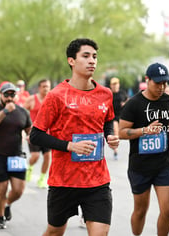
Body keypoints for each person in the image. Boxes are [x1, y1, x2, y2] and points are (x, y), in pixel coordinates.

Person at [29, 38, 120, 236]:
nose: (92, 61)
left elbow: (106, 122)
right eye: (85, 56)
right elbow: (35, 135)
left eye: (94, 56)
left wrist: (110, 136)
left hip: (97, 180)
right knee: (54, 232)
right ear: (71, 60)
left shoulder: (105, 94)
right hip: (64, 180)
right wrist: (70, 146)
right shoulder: (57, 95)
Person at [119, 63, 169, 236]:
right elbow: (121, 133)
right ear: (147, 80)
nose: (161, 87)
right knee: (140, 211)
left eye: (164, 83)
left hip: (164, 164)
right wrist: (145, 130)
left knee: (168, 210)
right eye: (157, 83)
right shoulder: (134, 104)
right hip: (140, 166)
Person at [0, 82, 32, 229]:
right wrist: (5, 111)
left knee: (18, 190)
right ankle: (0, 217)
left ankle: (8, 204)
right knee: (1, 189)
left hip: (17, 155)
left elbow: (29, 129)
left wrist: (31, 136)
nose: (10, 97)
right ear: (1, 95)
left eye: (12, 94)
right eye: (7, 94)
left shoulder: (23, 112)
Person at [24, 79, 52, 188]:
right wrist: (25, 131)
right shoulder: (31, 99)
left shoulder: (52, 99)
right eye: (44, 86)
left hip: (47, 134)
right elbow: (22, 113)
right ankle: (29, 168)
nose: (46, 88)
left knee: (47, 156)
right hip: (34, 133)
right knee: (35, 156)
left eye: (48, 86)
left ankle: (42, 178)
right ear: (39, 88)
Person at [109, 77, 128, 160]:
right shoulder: (109, 94)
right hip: (113, 116)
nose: (115, 86)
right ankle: (115, 150)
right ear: (111, 86)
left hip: (122, 115)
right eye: (113, 84)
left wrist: (124, 103)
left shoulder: (122, 93)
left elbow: (128, 100)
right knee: (116, 131)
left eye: (116, 84)